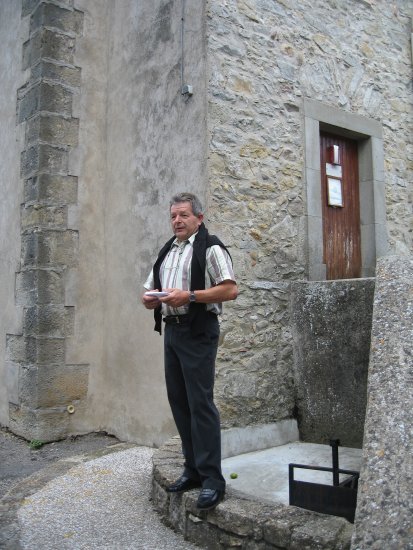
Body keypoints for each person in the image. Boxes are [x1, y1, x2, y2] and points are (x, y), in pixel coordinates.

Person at [142, 192, 238, 510]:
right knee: (181, 404)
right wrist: (150, 299)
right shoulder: (167, 250)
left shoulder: (210, 247)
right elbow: (148, 291)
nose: (177, 221)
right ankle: (193, 470)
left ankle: (213, 480)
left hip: (198, 332)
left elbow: (230, 288)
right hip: (172, 333)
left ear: (199, 217)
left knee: (201, 406)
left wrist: (191, 297)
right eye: (173, 216)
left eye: (183, 215)